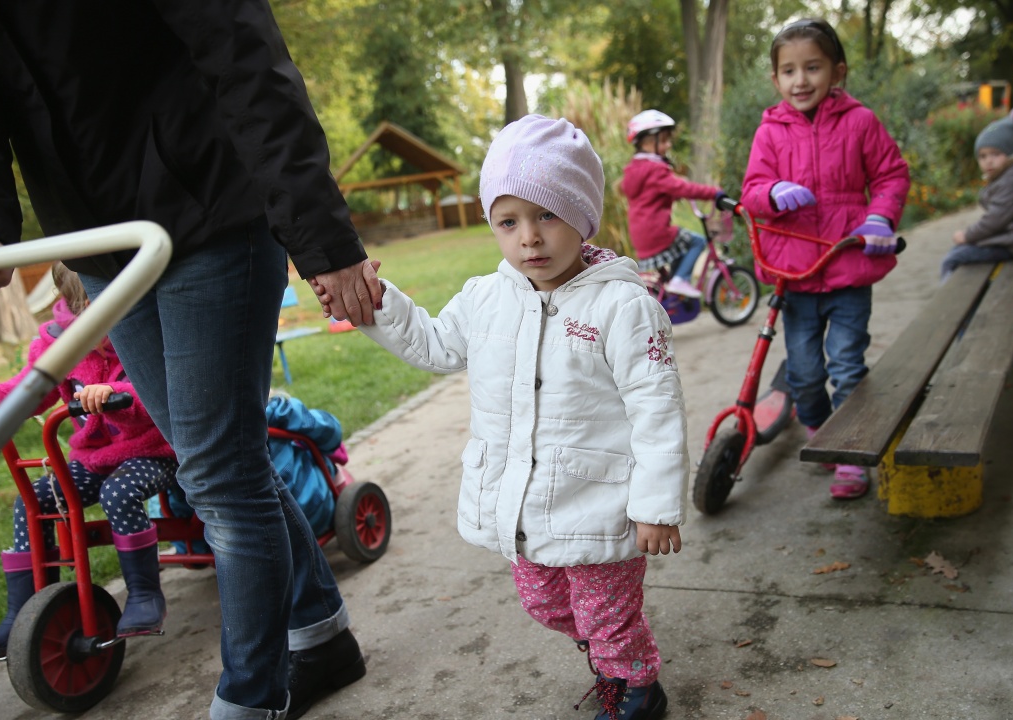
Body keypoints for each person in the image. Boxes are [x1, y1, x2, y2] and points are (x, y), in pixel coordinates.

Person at [0, 4, 382, 718]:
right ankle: (321, 634)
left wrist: (321, 235)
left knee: (218, 471)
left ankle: (250, 700)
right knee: (215, 461)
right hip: (98, 241)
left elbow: (242, 49)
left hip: (211, 207)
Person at [316, 115, 687, 720]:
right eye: (508, 222)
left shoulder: (622, 306)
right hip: (522, 502)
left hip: (600, 500)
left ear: (583, 215)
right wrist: (380, 306)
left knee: (605, 613)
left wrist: (656, 505)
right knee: (544, 604)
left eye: (548, 216)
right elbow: (434, 345)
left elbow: (657, 408)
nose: (529, 239)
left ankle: (637, 684)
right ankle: (611, 651)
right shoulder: (486, 298)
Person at [0, 263, 179, 658]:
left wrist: (116, 392)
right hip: (95, 458)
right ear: (72, 312)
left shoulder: (147, 330)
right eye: (88, 324)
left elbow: (165, 389)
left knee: (120, 492)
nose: (98, 339)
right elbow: (31, 385)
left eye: (109, 321)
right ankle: (24, 615)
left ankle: (145, 594)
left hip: (156, 449)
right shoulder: (56, 344)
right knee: (34, 500)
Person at [739, 17, 910, 500]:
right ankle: (817, 425)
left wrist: (880, 219)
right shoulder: (770, 133)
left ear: (838, 71)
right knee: (805, 374)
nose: (801, 80)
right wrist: (772, 191)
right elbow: (751, 191)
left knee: (847, 366)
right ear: (775, 80)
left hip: (848, 267)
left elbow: (892, 175)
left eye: (812, 67)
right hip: (794, 274)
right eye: (789, 71)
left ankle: (852, 452)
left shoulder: (860, 122)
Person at [622, 109, 726, 298]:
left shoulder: (636, 169)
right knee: (697, 241)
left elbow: (653, 193)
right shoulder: (654, 170)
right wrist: (714, 193)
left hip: (641, 235)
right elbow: (683, 189)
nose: (667, 145)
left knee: (680, 248)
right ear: (646, 142)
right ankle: (680, 279)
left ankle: (672, 283)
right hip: (657, 233)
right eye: (662, 141)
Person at [941, 109, 1013, 281]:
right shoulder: (1011, 174)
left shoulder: (1012, 180)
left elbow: (995, 219)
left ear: (1011, 154)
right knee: (960, 251)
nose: (988, 161)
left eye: (995, 154)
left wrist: (967, 235)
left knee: (953, 259)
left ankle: (952, 304)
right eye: (982, 156)